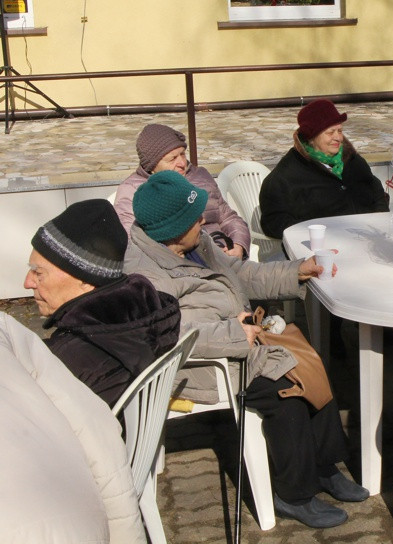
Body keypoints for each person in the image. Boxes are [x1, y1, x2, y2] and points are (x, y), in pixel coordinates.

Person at [124, 170, 369, 529]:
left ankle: (324, 466)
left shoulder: (195, 243)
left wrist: (296, 271)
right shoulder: (145, 277)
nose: (203, 220)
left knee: (310, 361)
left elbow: (240, 272)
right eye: (194, 217)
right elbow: (166, 334)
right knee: (285, 389)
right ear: (172, 227)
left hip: (242, 340)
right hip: (203, 363)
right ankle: (294, 494)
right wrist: (233, 333)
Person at [0, 312, 146, 543]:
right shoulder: (4, 325)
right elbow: (93, 426)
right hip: (76, 522)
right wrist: (127, 535)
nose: (28, 283)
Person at [24, 199, 181, 407]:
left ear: (85, 280)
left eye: (39, 273)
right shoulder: (143, 317)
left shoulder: (68, 359)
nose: (27, 283)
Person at [114, 123, 251, 259]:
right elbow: (132, 242)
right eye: (172, 158)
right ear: (152, 165)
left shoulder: (200, 176)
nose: (182, 163)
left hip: (224, 253)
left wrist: (239, 245)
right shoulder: (133, 191)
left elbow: (228, 217)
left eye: (182, 154)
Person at [258, 99, 389, 239]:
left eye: (340, 131)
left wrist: (379, 219)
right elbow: (273, 222)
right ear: (311, 137)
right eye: (330, 132)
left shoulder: (352, 160)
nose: (338, 137)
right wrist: (314, 232)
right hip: (321, 248)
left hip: (370, 237)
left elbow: (376, 190)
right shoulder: (287, 175)